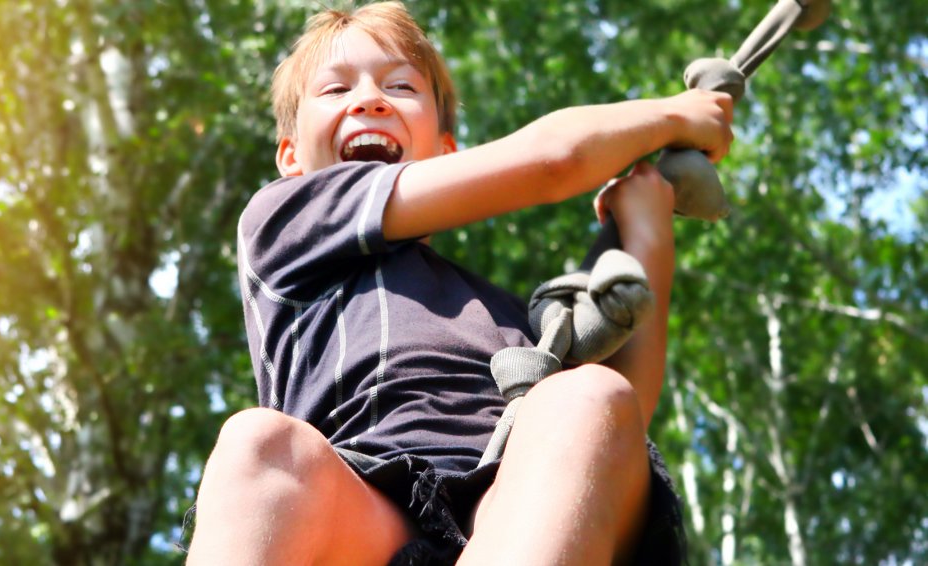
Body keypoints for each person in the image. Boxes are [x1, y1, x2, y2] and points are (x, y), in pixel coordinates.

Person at [186, 2, 733, 564]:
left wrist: (648, 226)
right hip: (365, 511)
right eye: (334, 91)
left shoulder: (506, 316)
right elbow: (553, 162)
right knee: (259, 446)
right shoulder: (287, 223)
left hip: (517, 516)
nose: (370, 98)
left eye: (401, 86)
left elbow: (615, 426)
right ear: (291, 157)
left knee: (589, 394)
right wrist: (673, 115)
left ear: (445, 151)